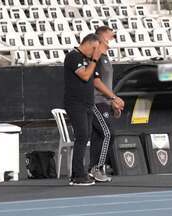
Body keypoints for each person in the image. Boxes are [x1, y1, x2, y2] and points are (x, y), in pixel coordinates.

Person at [64, 33, 109, 186]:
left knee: (86, 136)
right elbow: (84, 75)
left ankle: (77, 173)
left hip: (87, 104)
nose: (95, 52)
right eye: (95, 49)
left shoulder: (88, 60)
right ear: (89, 44)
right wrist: (95, 59)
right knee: (82, 136)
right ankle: (78, 175)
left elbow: (94, 78)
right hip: (75, 103)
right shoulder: (73, 56)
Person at [88, 26, 125, 182]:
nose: (113, 39)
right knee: (108, 134)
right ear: (103, 38)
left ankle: (92, 170)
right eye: (112, 36)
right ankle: (97, 168)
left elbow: (105, 83)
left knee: (99, 137)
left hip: (104, 102)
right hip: (96, 101)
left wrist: (112, 101)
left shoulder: (106, 57)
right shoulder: (95, 56)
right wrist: (114, 97)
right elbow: (96, 82)